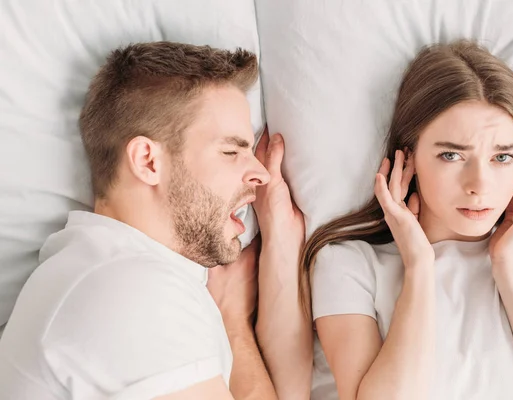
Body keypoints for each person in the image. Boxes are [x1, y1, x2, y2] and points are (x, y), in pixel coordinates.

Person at [0, 41, 312, 400]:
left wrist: (234, 317)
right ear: (148, 161)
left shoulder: (106, 272)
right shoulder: (131, 292)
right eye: (231, 151)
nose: (260, 173)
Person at [302, 40, 513, 399]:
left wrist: (508, 268)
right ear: (408, 158)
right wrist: (419, 266)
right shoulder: (348, 264)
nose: (479, 185)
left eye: (502, 158)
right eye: (451, 155)